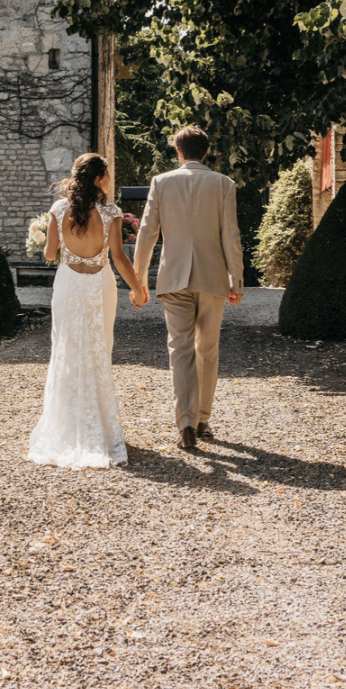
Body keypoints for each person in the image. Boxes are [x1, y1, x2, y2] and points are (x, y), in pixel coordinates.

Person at [28, 153, 148, 469]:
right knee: (98, 349)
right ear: (97, 178)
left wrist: (44, 235)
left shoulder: (58, 209)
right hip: (99, 285)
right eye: (106, 174)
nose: (109, 179)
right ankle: (99, 425)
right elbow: (119, 258)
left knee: (67, 349)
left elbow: (50, 254)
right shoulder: (111, 213)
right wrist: (137, 289)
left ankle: (68, 424)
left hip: (68, 284)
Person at [133, 126, 244, 450]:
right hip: (212, 277)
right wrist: (236, 279)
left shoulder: (161, 182)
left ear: (178, 151)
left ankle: (185, 425)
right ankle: (202, 419)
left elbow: (147, 232)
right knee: (207, 350)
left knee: (180, 350)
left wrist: (139, 280)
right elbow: (230, 235)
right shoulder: (224, 184)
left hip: (173, 278)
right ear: (206, 152)